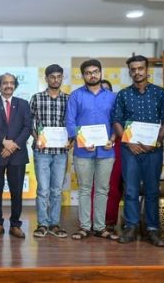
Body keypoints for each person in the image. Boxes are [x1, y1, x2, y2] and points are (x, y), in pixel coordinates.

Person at [112, 55, 164, 247]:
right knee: (130, 190)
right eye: (133, 69)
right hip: (129, 149)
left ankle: (152, 229)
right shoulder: (123, 94)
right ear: (129, 72)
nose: (137, 72)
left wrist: (157, 141)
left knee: (152, 190)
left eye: (140, 68)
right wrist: (128, 142)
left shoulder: (160, 93)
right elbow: (116, 120)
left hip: (153, 150)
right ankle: (131, 227)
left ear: (147, 70)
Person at [66, 59, 118, 241]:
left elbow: (117, 121)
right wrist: (81, 140)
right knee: (84, 189)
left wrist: (113, 139)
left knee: (103, 189)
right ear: (83, 75)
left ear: (101, 73)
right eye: (88, 73)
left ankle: (100, 227)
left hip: (106, 151)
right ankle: (85, 227)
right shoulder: (75, 96)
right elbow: (70, 122)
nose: (92, 75)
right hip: (83, 151)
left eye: (95, 71)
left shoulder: (112, 97)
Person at [0, 73, 32, 238]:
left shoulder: (23, 104)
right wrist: (4, 142)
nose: (8, 85)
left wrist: (13, 145)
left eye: (11, 83)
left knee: (17, 192)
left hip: (17, 154)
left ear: (15, 85)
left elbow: (27, 127)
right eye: (5, 83)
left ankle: (15, 225)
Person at [29, 64, 70, 238]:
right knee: (43, 190)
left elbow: (72, 123)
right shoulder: (36, 98)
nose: (55, 80)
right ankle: (42, 224)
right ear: (46, 78)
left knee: (56, 190)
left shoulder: (68, 99)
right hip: (42, 151)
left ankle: (54, 223)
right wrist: (37, 138)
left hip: (61, 152)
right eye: (52, 77)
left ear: (62, 78)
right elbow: (29, 122)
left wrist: (71, 140)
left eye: (59, 76)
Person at [97, 79, 122, 231]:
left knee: (112, 186)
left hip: (115, 146)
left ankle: (110, 220)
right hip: (93, 147)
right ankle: (94, 220)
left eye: (107, 90)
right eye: (101, 89)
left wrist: (112, 139)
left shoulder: (118, 105)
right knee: (94, 186)